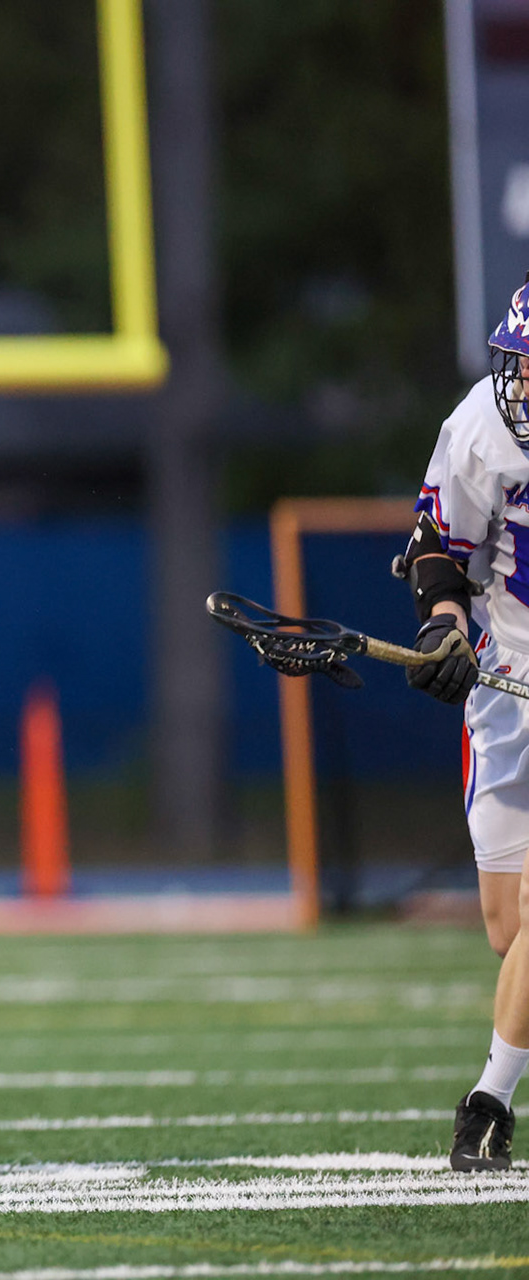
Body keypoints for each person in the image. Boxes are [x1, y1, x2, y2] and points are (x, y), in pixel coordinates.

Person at [398, 272, 529, 1171]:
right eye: (521, 367)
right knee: (505, 928)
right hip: (510, 687)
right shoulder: (483, 427)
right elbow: (438, 545)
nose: (523, 385)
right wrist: (446, 627)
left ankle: (490, 1098)